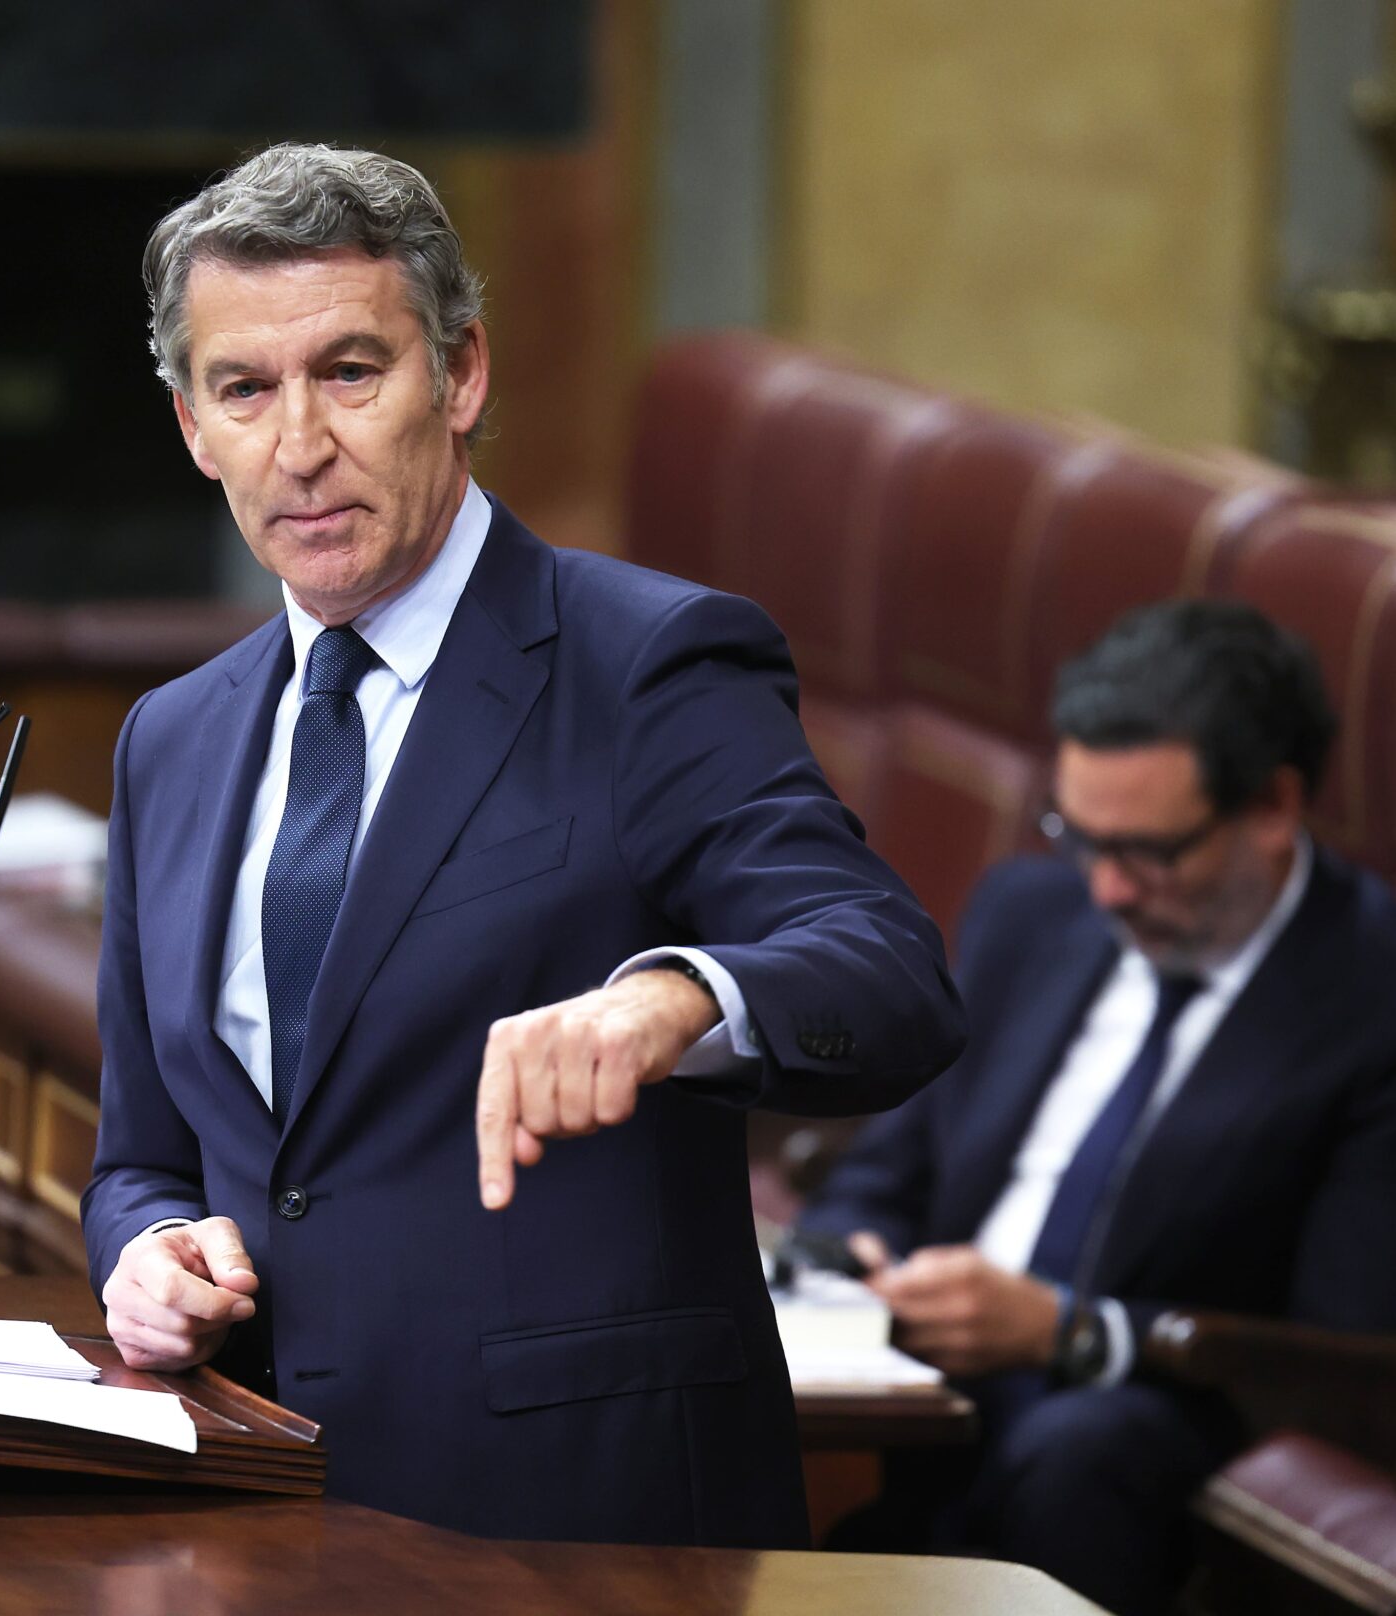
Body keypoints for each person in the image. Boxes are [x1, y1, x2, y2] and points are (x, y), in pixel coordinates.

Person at [79, 143, 964, 1548]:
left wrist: (672, 1001)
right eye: (245, 390)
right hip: (253, 1512)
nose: (299, 443)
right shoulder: (172, 738)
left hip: (576, 1525)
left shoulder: (649, 662)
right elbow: (143, 1157)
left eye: (352, 373)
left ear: (463, 373)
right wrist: (146, 1257)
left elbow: (890, 973)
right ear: (193, 426)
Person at [798, 599, 1396, 1615]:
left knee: (1080, 1447)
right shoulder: (1026, 913)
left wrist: (1069, 1331)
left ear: (1271, 804)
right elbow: (888, 1164)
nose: (1104, 889)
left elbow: (1354, 1338)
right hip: (922, 1380)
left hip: (1153, 1414)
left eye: (1146, 852)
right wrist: (851, 1259)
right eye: (1076, 836)